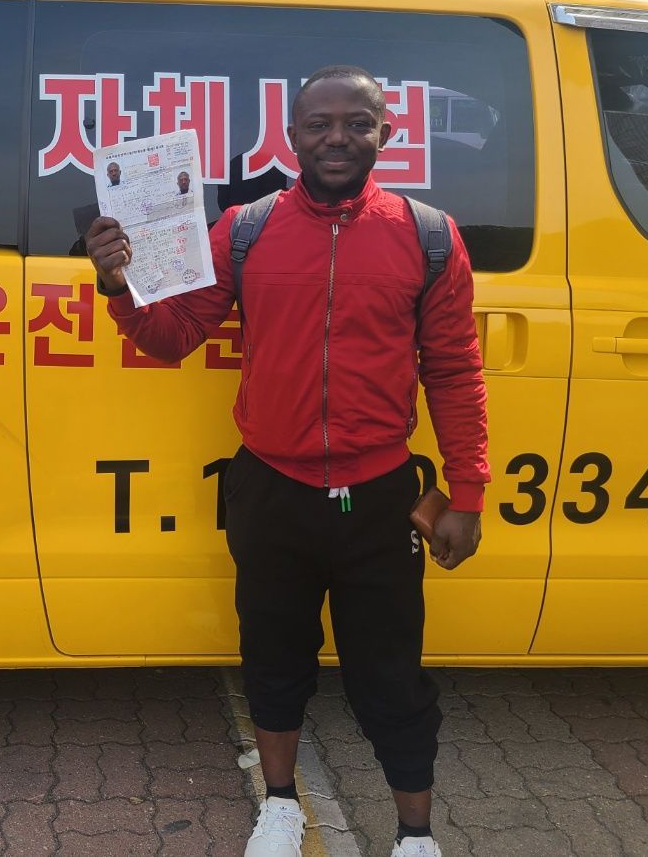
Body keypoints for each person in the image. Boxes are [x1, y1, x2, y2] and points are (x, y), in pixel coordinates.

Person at [85, 65, 487, 857]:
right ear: (291, 135)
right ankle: (276, 804)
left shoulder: (428, 234)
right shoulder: (245, 228)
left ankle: (414, 836)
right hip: (271, 488)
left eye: (356, 123)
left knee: (391, 676)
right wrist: (120, 284)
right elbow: (173, 339)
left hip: (378, 495)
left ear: (385, 132)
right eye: (318, 124)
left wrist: (467, 489)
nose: (337, 137)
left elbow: (453, 368)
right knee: (272, 656)